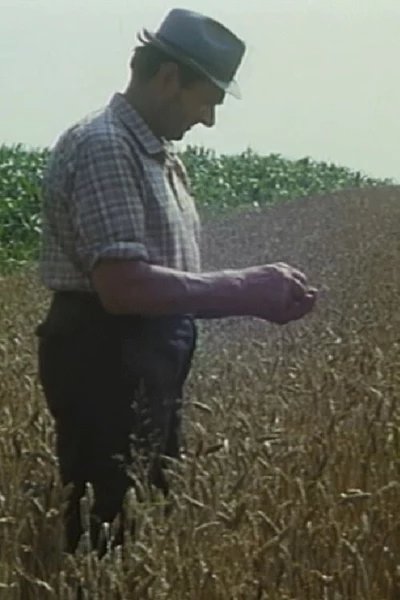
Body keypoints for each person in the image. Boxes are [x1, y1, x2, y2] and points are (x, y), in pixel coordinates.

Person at [36, 8, 317, 556]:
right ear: (168, 79)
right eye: (206, 99)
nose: (209, 119)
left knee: (147, 516)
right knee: (109, 533)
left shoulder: (156, 154)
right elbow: (123, 287)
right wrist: (246, 289)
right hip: (105, 355)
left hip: (138, 355)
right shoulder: (107, 145)